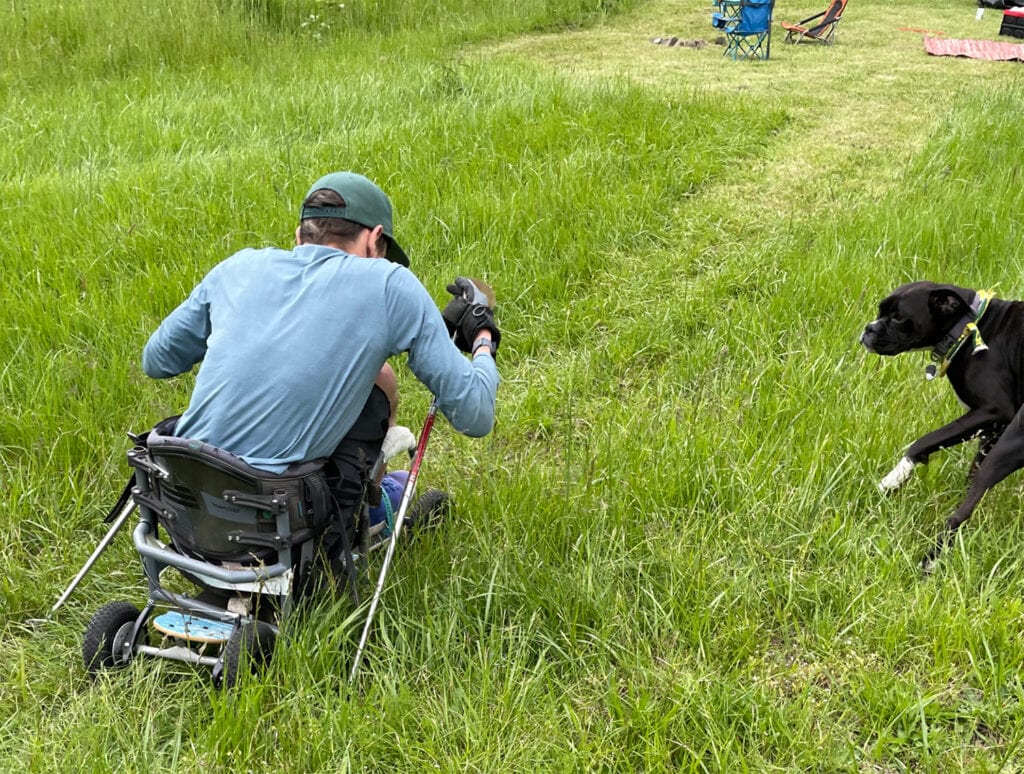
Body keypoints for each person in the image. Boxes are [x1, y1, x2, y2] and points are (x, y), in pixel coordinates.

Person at [142, 171, 500, 566]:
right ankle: (371, 507)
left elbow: (156, 361)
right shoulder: (388, 283)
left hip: (187, 507)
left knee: (379, 374)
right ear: (374, 239)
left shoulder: (237, 268)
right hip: (281, 522)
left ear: (300, 236)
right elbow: (476, 415)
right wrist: (482, 334)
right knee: (381, 383)